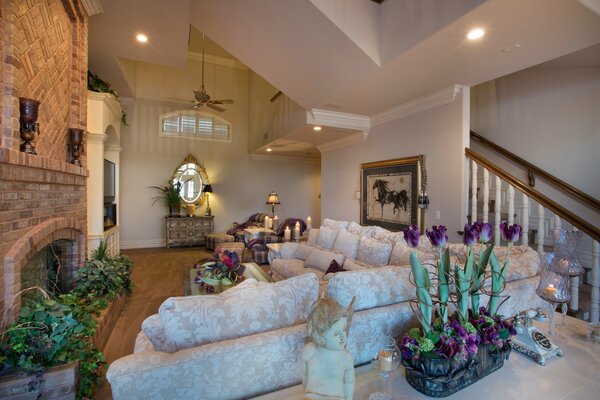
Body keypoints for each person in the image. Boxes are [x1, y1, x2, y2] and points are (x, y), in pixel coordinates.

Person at [302, 297, 356, 400]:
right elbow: (305, 375)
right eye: (336, 334)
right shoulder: (309, 351)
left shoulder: (345, 357)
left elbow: (349, 382)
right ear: (320, 334)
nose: (343, 337)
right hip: (311, 396)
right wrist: (305, 394)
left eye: (344, 330)